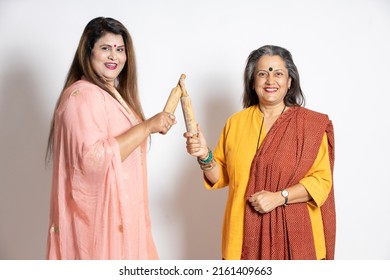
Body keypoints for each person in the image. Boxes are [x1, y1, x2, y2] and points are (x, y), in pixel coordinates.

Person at [184, 45, 336, 260]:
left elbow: (321, 182)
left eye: (278, 73)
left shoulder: (309, 126)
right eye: (262, 73)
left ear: (290, 81)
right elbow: (221, 177)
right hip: (243, 238)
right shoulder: (236, 124)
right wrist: (204, 155)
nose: (270, 80)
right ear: (252, 82)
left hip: (298, 239)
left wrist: (279, 197)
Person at [45, 17, 176, 260]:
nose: (114, 57)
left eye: (120, 50)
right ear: (88, 52)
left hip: (124, 217)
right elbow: (93, 160)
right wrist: (147, 127)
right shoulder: (83, 96)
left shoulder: (112, 94)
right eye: (105, 48)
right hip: (99, 225)